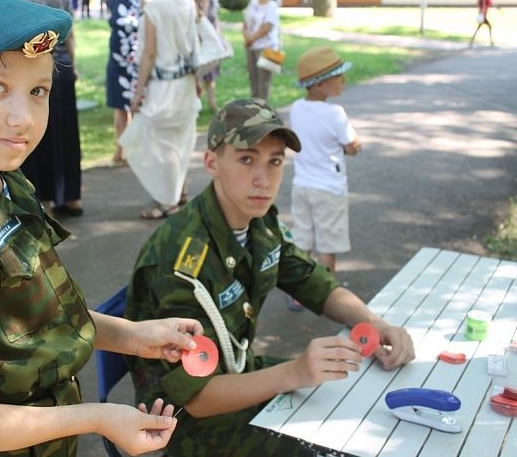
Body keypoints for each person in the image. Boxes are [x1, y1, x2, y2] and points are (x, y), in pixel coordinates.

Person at [0, 0, 204, 456]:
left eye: (38, 91)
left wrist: (135, 336)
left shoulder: (5, 182)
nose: (23, 118)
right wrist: (98, 418)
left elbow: (35, 319)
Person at [124, 98, 414, 456]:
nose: (263, 178)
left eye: (274, 161)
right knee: (330, 447)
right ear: (212, 162)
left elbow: (314, 283)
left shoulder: (259, 220)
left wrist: (375, 323)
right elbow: (198, 397)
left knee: (358, 400)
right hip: (181, 422)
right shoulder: (182, 260)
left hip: (238, 376)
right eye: (247, 159)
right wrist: (296, 371)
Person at [118, 0, 200, 219]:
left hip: (163, 87)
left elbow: (150, 53)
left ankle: (167, 201)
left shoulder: (154, 9)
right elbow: (195, 46)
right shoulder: (188, 2)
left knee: (163, 146)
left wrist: (138, 91)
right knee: (179, 141)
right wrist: (199, 81)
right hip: (187, 83)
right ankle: (179, 191)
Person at [290, 46, 361, 278]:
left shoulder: (296, 108)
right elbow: (352, 146)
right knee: (327, 245)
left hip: (302, 186)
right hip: (329, 188)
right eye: (339, 77)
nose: (344, 80)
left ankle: (298, 292)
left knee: (302, 240)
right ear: (320, 84)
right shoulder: (335, 113)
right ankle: (326, 292)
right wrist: (352, 146)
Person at [15, 0, 84, 217]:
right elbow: (69, 34)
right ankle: (72, 197)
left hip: (31, 69)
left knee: (38, 134)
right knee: (66, 132)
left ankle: (44, 200)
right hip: (61, 65)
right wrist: (72, 66)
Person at [105, 0, 144, 166]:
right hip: (117, 62)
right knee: (119, 107)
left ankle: (135, 151)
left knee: (136, 108)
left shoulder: (142, 0)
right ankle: (120, 148)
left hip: (136, 63)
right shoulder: (112, 2)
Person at [243, 0, 281, 101]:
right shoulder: (252, 3)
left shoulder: (272, 6)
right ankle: (254, 104)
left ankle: (263, 107)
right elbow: (245, 23)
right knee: (252, 77)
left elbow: (267, 27)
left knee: (263, 80)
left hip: (266, 47)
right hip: (251, 47)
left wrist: (251, 39)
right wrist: (246, 37)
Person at [194, 0, 220, 112]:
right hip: (197, 45)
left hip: (210, 46)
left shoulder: (211, 1)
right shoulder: (190, 2)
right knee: (196, 78)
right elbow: (199, 21)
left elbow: (215, 19)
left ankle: (212, 103)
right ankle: (195, 105)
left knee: (210, 78)